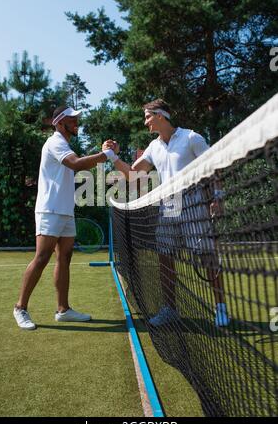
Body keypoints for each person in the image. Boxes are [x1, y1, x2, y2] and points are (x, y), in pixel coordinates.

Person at [103, 99, 230, 327]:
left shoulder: (192, 138)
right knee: (165, 257)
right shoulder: (154, 147)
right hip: (168, 207)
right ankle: (170, 309)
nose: (145, 122)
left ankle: (221, 307)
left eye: (148, 117)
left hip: (194, 205)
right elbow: (133, 174)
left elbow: (214, 166)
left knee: (207, 256)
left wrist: (218, 197)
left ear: (160, 115)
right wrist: (112, 157)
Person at [14, 105, 118, 330]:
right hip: (49, 209)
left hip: (65, 210)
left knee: (65, 258)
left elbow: (79, 162)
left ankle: (63, 310)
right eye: (72, 119)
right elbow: (75, 164)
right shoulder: (55, 142)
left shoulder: (64, 145)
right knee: (42, 257)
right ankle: (20, 307)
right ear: (60, 123)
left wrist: (102, 153)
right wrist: (106, 155)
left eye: (76, 119)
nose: (76, 122)